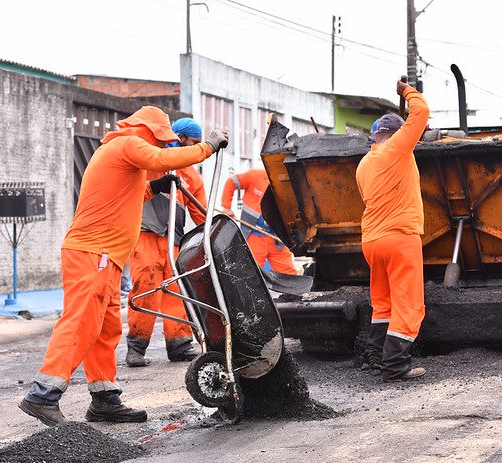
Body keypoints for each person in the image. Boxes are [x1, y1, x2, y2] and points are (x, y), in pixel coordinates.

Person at [19, 106, 228, 426]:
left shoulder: (120, 154)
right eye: (162, 140)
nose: (162, 146)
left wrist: (153, 189)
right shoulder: (127, 144)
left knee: (105, 329)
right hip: (93, 252)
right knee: (82, 322)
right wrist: (207, 147)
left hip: (106, 256)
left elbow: (125, 195)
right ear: (151, 132)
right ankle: (43, 394)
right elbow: (162, 160)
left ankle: (105, 398)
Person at [355, 79, 429, 382]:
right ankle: (395, 365)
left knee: (383, 302)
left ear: (376, 135)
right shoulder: (398, 149)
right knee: (409, 304)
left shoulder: (363, 164)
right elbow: (421, 113)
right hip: (400, 237)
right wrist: (407, 92)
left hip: (372, 241)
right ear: (396, 134)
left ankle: (375, 357)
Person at [125, 118, 208, 367]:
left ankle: (179, 344)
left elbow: (201, 210)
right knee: (145, 288)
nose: (195, 149)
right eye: (193, 143)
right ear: (179, 138)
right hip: (145, 234)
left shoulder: (189, 173)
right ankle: (136, 347)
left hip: (174, 238)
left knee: (176, 291)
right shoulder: (152, 159)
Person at [220, 167, 297, 274]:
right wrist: (226, 207)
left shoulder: (289, 184)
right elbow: (231, 182)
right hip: (254, 235)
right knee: (251, 273)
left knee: (289, 273)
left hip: (277, 238)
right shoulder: (255, 175)